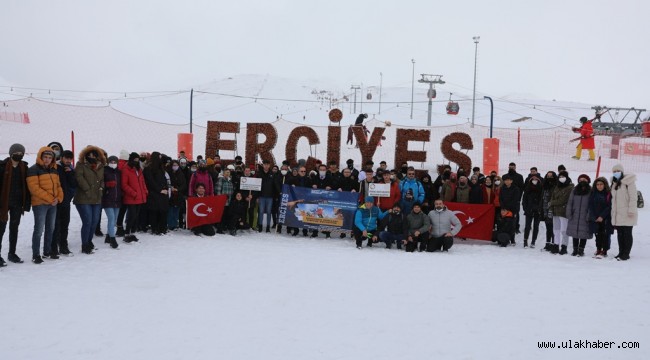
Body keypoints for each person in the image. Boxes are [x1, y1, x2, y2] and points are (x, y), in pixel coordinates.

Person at [26, 147, 64, 263]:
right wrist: (50, 198)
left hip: (53, 204)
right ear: (40, 157)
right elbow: (34, 188)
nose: (47, 159)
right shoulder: (33, 169)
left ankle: (47, 251)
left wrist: (58, 198)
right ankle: (35, 254)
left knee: (50, 228)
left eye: (49, 157)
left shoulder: (54, 169)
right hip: (40, 204)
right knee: (39, 229)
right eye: (45, 157)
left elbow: (58, 186)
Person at [0, 143, 31, 265]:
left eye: (21, 153)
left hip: (17, 203)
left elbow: (27, 187)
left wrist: (27, 203)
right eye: (16, 153)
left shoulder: (24, 167)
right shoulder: (2, 166)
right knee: (1, 229)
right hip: (3, 203)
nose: (19, 155)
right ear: (11, 153)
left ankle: (12, 253)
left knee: (14, 228)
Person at [74, 146, 106, 254]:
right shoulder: (80, 165)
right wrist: (87, 189)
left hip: (97, 198)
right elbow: (79, 178)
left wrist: (101, 187)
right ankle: (85, 245)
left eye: (94, 155)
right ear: (86, 156)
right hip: (83, 198)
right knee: (87, 221)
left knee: (94, 221)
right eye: (89, 155)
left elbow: (102, 179)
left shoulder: (101, 166)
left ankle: (89, 241)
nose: (92, 157)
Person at [610, 164, 637, 261]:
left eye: (618, 170)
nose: (616, 172)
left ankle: (626, 253)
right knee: (620, 234)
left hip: (627, 213)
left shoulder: (629, 182)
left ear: (622, 171)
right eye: (614, 171)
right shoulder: (614, 183)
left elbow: (633, 198)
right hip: (618, 214)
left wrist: (631, 210)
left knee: (627, 233)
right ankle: (621, 252)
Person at [52, 150, 76, 256]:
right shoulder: (56, 167)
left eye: (70, 159)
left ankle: (63, 245)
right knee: (56, 225)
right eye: (66, 158)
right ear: (61, 158)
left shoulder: (71, 169)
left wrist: (70, 173)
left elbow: (74, 185)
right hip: (56, 201)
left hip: (66, 201)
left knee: (65, 224)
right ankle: (54, 246)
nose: (68, 160)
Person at [121, 152, 148, 243]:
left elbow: (142, 182)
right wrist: (133, 193)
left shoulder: (139, 170)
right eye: (134, 160)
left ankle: (133, 233)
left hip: (140, 196)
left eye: (137, 160)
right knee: (131, 216)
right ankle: (127, 233)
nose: (136, 162)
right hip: (131, 197)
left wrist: (145, 191)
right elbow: (124, 185)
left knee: (136, 216)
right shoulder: (126, 170)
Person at [144, 152, 170, 235]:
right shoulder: (148, 169)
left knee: (163, 211)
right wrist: (159, 190)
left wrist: (165, 189)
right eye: (159, 157)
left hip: (162, 194)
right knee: (154, 212)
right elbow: (150, 182)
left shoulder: (161, 168)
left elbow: (164, 180)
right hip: (153, 194)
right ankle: (154, 228)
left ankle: (162, 228)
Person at [566, 174, 593, 256]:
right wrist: (569, 213)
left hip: (585, 216)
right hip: (575, 215)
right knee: (575, 233)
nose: (582, 181)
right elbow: (570, 202)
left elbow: (592, 205)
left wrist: (589, 215)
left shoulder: (591, 191)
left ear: (588, 181)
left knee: (583, 234)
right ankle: (575, 250)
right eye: (581, 180)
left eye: (584, 180)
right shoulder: (574, 190)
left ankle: (581, 250)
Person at [548, 170, 574, 255]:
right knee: (556, 230)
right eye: (560, 177)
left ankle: (564, 246)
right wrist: (551, 204)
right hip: (555, 212)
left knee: (564, 230)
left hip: (564, 212)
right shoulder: (557, 186)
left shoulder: (570, 187)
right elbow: (552, 197)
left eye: (563, 177)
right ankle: (556, 245)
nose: (561, 178)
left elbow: (563, 200)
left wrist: (552, 203)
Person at [588, 177, 613, 258]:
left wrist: (602, 216)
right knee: (597, 234)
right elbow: (590, 205)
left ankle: (604, 250)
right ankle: (598, 249)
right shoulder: (593, 193)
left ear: (604, 185)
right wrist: (594, 216)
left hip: (605, 218)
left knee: (605, 235)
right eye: (597, 184)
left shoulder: (608, 194)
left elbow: (609, 206)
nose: (599, 186)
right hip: (595, 218)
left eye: (601, 184)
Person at [101, 156, 121, 249]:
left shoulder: (119, 172)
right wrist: (107, 185)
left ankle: (108, 236)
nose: (113, 163)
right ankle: (113, 239)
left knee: (114, 219)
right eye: (111, 161)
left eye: (115, 161)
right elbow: (100, 183)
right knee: (111, 218)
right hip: (107, 198)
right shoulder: (104, 171)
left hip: (117, 199)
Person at [522, 174, 543, 248]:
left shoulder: (541, 190)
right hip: (529, 210)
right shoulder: (527, 189)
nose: (535, 181)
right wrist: (525, 208)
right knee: (527, 226)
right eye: (533, 180)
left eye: (536, 180)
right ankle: (525, 241)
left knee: (536, 226)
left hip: (537, 211)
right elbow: (524, 200)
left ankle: (533, 241)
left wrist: (540, 209)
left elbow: (542, 201)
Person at [499, 174, 521, 245]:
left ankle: (512, 239)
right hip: (504, 209)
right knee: (504, 224)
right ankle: (505, 238)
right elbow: (500, 198)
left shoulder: (516, 189)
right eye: (505, 180)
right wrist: (503, 208)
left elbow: (515, 200)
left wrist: (508, 209)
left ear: (511, 181)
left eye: (508, 180)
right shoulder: (502, 188)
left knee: (512, 225)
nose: (507, 182)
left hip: (513, 209)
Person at [167, 160, 187, 231]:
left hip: (178, 194)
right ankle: (170, 224)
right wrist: (170, 188)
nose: (175, 166)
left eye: (176, 165)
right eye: (174, 165)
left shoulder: (181, 174)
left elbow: (184, 184)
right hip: (170, 194)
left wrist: (177, 189)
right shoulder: (168, 173)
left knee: (176, 210)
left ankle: (175, 224)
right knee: (170, 210)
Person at [541, 171, 557, 251]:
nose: (549, 177)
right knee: (548, 228)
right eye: (548, 176)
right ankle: (547, 244)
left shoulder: (556, 186)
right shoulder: (544, 186)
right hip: (545, 209)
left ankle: (554, 244)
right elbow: (543, 198)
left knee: (554, 228)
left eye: (551, 176)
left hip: (554, 209)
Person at [216, 168, 235, 234]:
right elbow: (218, 190)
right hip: (222, 201)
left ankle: (224, 227)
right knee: (221, 216)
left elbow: (232, 191)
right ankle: (219, 229)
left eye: (228, 172)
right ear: (223, 173)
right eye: (226, 172)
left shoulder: (230, 181)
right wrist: (220, 199)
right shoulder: (221, 180)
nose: (227, 174)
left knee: (226, 215)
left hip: (228, 202)